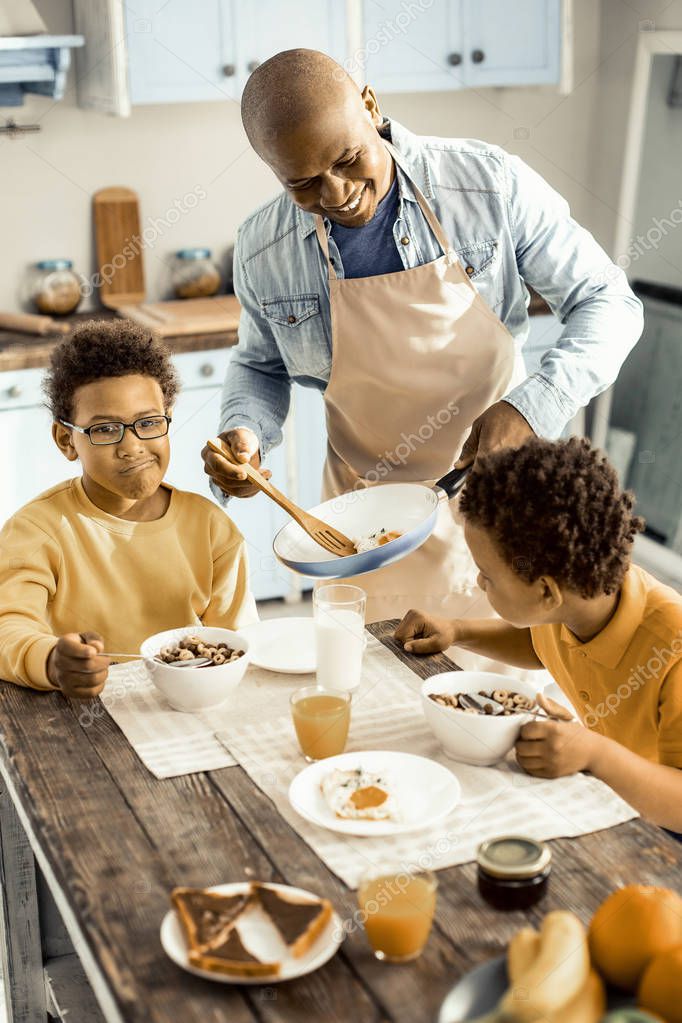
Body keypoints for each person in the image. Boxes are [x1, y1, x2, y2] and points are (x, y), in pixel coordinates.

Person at [202, 48, 643, 629]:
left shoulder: (488, 187)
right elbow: (259, 366)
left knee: (505, 699)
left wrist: (531, 408)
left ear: (369, 105)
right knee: (376, 696)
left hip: (501, 503)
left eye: (348, 159)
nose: (336, 194)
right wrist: (245, 431)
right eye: (303, 183)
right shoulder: (264, 250)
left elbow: (608, 301)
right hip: (361, 527)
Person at [395, 437, 682, 833]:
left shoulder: (673, 647)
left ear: (545, 591)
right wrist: (458, 630)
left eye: (488, 576)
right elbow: (543, 644)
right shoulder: (579, 599)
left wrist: (594, 753)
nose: (478, 582)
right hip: (616, 799)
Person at [0, 320, 257, 699]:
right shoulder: (36, 531)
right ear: (65, 440)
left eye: (149, 423)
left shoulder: (211, 528)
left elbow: (237, 644)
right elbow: (8, 627)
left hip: (185, 709)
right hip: (81, 721)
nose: (132, 446)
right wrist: (53, 661)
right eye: (105, 430)